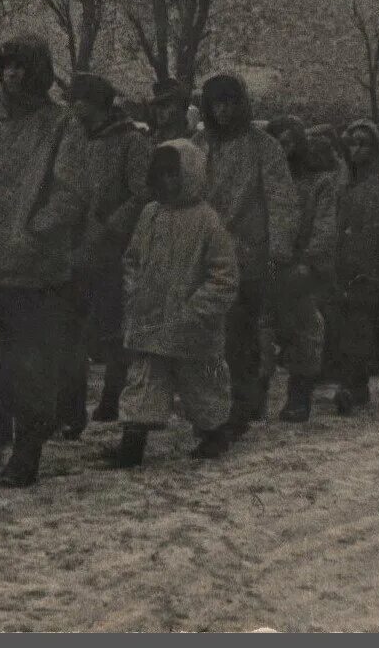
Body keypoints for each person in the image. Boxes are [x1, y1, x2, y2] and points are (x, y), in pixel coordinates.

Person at [0, 35, 88, 488]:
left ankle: (27, 451)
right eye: (6, 66)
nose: (12, 75)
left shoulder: (62, 125)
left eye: (22, 67)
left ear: (40, 73)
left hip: (32, 270)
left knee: (30, 365)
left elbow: (70, 192)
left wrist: (33, 232)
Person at [103, 140, 241, 468]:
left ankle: (214, 432)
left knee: (201, 385)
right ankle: (132, 442)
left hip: (191, 325)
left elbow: (224, 275)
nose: (168, 182)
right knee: (144, 381)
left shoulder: (207, 220)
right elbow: (133, 258)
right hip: (150, 318)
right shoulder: (150, 214)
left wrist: (198, 310)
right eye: (161, 175)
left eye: (174, 174)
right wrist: (134, 290)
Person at [193, 74, 298, 437]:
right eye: (217, 103)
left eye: (231, 103)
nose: (224, 111)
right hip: (204, 252)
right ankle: (212, 404)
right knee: (207, 331)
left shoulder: (263, 146)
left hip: (246, 252)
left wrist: (279, 248)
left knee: (240, 331)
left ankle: (242, 402)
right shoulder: (200, 144)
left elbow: (281, 198)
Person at [65, 73, 150, 430]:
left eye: (80, 101)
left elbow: (142, 192)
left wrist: (111, 226)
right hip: (72, 244)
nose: (74, 108)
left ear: (98, 104)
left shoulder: (131, 142)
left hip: (114, 248)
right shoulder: (73, 139)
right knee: (70, 329)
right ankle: (69, 409)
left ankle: (112, 395)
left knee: (111, 326)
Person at [327, 119, 379, 415]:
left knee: (363, 326)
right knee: (348, 325)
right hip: (344, 265)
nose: (356, 149)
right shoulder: (344, 181)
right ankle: (353, 383)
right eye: (352, 143)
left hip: (374, 266)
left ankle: (355, 385)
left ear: (375, 148)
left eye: (363, 143)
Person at [264, 116, 336, 422]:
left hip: (300, 265)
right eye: (276, 142)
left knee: (305, 329)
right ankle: (253, 397)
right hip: (265, 264)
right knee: (261, 331)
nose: (283, 149)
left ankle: (299, 397)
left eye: (288, 142)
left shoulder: (320, 183)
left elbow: (325, 226)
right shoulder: (266, 180)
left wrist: (309, 262)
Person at [148, 79, 194, 144]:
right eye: (157, 106)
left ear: (179, 108)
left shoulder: (192, 141)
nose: (158, 111)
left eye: (165, 105)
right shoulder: (151, 139)